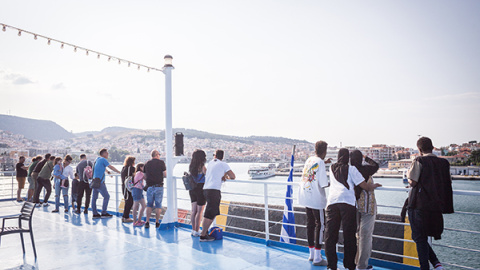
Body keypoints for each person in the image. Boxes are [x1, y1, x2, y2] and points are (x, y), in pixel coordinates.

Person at [324, 148, 381, 270]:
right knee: (349, 236)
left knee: (330, 236)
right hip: (347, 204)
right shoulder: (352, 169)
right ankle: (349, 265)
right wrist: (374, 186)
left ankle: (331, 266)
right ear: (347, 158)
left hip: (332, 203)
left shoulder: (331, 167)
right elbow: (365, 186)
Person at [406, 137, 453, 270]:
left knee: (419, 238)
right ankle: (436, 264)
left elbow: (413, 182)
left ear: (419, 149)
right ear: (432, 148)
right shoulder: (444, 163)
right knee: (422, 237)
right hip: (436, 206)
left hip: (418, 205)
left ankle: (426, 267)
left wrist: (409, 180)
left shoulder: (419, 160)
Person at [298, 141, 331, 266]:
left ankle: (311, 254)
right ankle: (318, 257)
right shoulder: (320, 162)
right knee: (321, 225)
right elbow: (324, 183)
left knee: (310, 224)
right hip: (316, 199)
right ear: (324, 151)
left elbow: (313, 170)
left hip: (306, 196)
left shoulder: (310, 160)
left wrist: (324, 163)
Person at [350, 150, 379, 270]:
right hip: (368, 206)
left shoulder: (350, 171)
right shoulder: (366, 169)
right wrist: (366, 157)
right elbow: (376, 165)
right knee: (365, 236)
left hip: (354, 206)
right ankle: (362, 266)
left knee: (357, 235)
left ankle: (356, 262)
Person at [200, 150, 235, 242]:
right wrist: (225, 176)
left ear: (214, 156)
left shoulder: (211, 163)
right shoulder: (223, 164)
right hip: (214, 190)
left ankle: (204, 232)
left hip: (206, 189)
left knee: (209, 212)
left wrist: (222, 175)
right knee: (210, 214)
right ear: (222, 157)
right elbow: (233, 176)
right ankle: (203, 235)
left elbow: (213, 173)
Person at [91, 148, 121, 219]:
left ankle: (95, 214)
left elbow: (102, 168)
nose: (108, 154)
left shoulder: (97, 159)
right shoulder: (103, 159)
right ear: (103, 154)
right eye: (107, 153)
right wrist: (120, 172)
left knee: (94, 198)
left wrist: (107, 172)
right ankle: (104, 213)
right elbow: (111, 167)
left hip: (94, 181)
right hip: (100, 182)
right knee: (107, 197)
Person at [143, 150, 167, 228]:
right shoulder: (161, 163)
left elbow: (144, 176)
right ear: (156, 155)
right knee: (158, 205)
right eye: (159, 154)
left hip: (149, 186)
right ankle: (157, 222)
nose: (159, 155)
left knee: (149, 205)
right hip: (159, 186)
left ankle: (147, 222)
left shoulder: (147, 163)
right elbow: (165, 174)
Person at [188, 149, 207, 237]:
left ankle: (193, 230)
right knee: (200, 211)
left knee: (193, 211)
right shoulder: (202, 166)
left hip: (192, 189)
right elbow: (208, 175)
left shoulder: (191, 166)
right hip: (201, 189)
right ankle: (197, 230)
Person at [120, 156, 135, 223]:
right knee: (130, 202)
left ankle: (124, 216)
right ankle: (126, 217)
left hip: (124, 186)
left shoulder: (124, 168)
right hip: (129, 187)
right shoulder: (131, 168)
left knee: (127, 201)